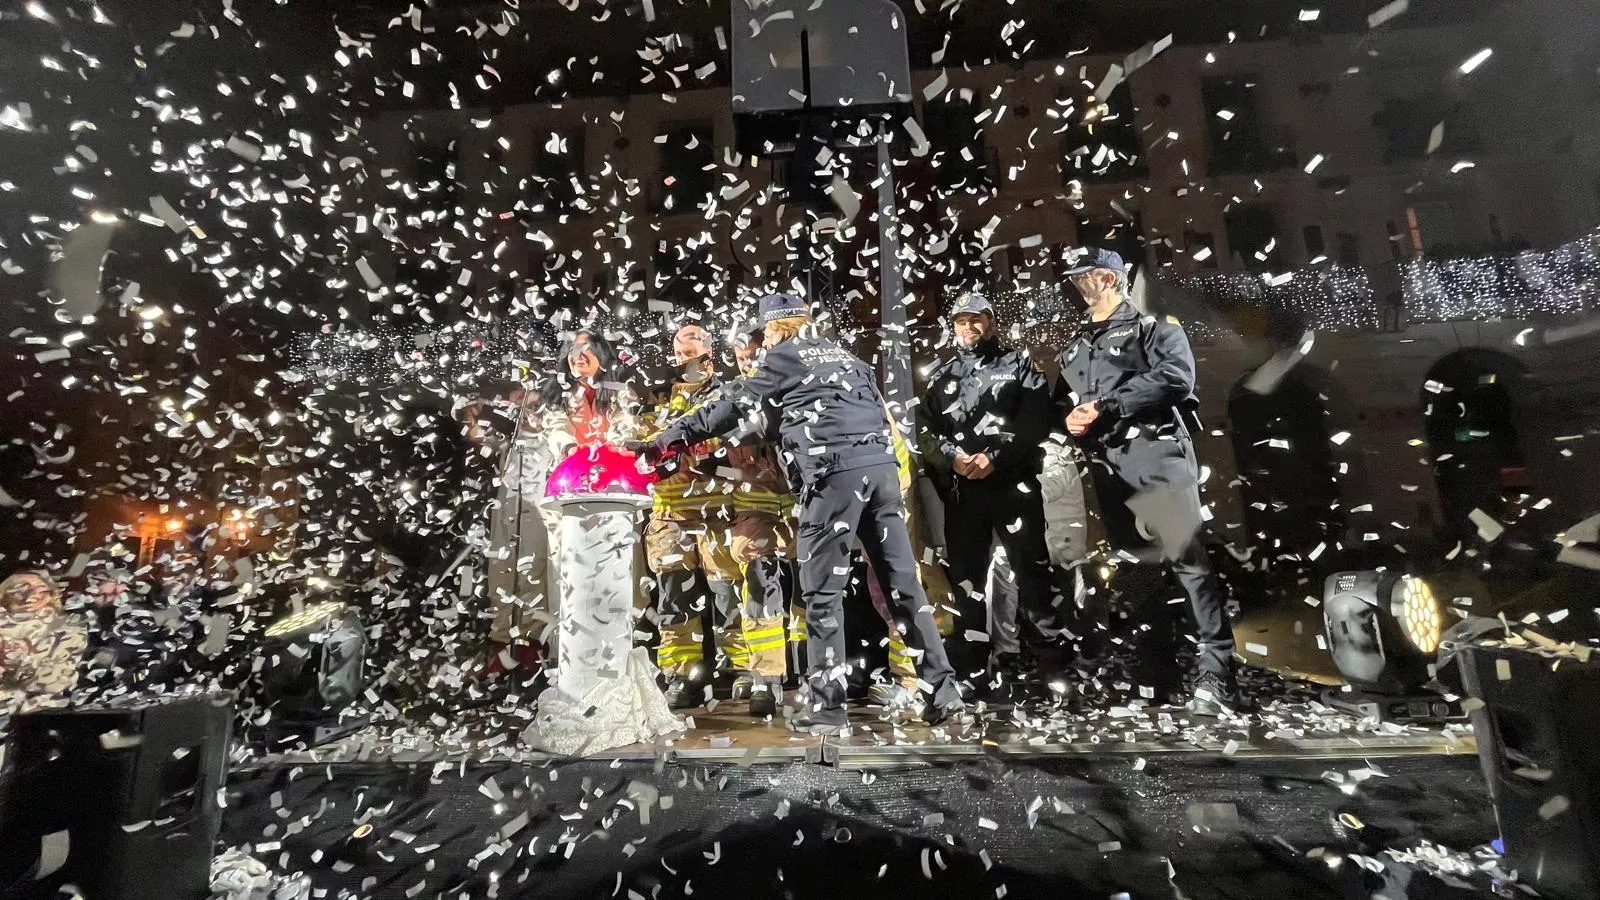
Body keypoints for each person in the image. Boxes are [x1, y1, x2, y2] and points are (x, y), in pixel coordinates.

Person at [639, 293, 964, 733]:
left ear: (775, 329)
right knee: (903, 585)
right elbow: (790, 417)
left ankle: (828, 710)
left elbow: (731, 404)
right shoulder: (848, 358)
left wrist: (667, 439)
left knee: (821, 593)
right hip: (883, 475)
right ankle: (943, 693)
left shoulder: (784, 356)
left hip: (833, 478)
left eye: (765, 333)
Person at [1052, 248, 1239, 714]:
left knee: (1188, 565)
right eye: (1075, 277)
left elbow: (1178, 377)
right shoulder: (1075, 346)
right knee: (1137, 572)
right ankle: (1157, 673)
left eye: (1087, 276)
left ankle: (1218, 676)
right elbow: (1062, 406)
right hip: (1110, 471)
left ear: (1111, 279)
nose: (1078, 284)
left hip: (1156, 460)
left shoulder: (1153, 328)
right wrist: (1068, 419)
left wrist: (1107, 406)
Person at [464, 329, 642, 680]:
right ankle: (567, 659)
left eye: (589, 348)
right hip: (570, 496)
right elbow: (556, 430)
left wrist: (612, 451)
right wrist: (572, 452)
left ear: (603, 356)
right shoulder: (556, 395)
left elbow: (628, 429)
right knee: (565, 572)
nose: (580, 353)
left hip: (613, 496)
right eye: (574, 348)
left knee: (622, 573)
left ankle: (623, 653)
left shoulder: (621, 394)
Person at [919, 292, 1069, 699]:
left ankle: (1053, 672)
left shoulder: (1019, 364)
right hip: (964, 495)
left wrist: (996, 457)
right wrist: (951, 458)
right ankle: (973, 672)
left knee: (1034, 576)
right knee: (967, 583)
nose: (969, 328)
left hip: (1014, 488)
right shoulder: (942, 374)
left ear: (992, 322)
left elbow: (1038, 418)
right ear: (953, 327)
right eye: (961, 321)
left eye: (977, 320)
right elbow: (925, 431)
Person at [639, 323, 757, 711]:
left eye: (692, 349)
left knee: (728, 594)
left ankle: (739, 669)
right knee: (675, 599)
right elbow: (644, 450)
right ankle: (681, 675)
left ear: (710, 353)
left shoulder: (726, 395)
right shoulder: (656, 398)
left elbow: (737, 453)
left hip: (716, 512)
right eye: (678, 350)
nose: (682, 357)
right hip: (670, 516)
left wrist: (710, 463)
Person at [1, 570, 85, 711]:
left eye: (41, 590)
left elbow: (56, 682)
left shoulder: (67, 628)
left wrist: (25, 660)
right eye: (22, 588)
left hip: (36, 712)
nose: (32, 595)